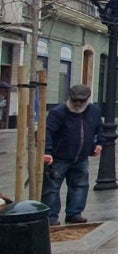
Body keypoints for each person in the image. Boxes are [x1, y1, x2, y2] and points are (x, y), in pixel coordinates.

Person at [42, 84, 103, 225]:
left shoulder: (93, 111)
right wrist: (47, 152)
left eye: (81, 101)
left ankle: (74, 213)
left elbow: (99, 128)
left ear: (87, 100)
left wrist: (99, 143)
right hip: (59, 158)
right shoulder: (58, 112)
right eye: (75, 101)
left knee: (80, 185)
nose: (77, 104)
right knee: (51, 188)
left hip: (81, 157)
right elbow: (48, 133)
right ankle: (51, 217)